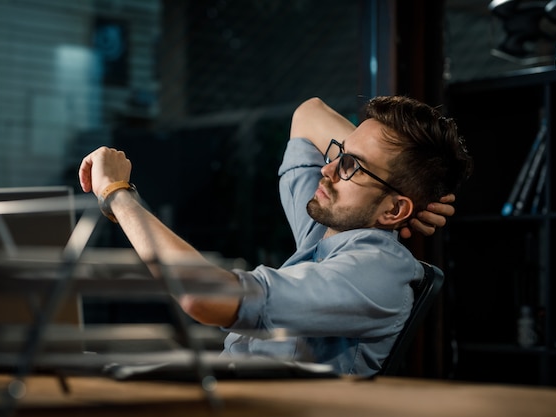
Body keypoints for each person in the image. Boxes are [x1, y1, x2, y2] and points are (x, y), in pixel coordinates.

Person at [79, 95, 472, 376]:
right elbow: (309, 114)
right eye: (337, 153)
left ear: (393, 210)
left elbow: (204, 297)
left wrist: (117, 195)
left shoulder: (375, 270)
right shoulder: (328, 229)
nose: (327, 169)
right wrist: (382, 174)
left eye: (350, 166)